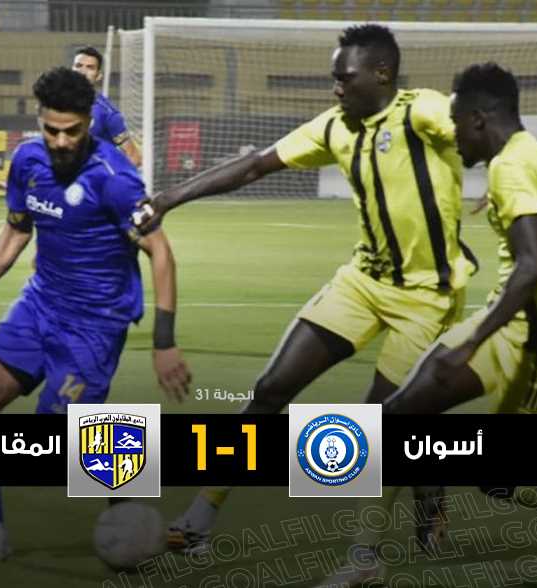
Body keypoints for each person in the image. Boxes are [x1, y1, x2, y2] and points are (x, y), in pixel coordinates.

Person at [133, 24, 477, 554]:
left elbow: (480, 128)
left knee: (386, 423)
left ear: (382, 73)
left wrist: (503, 175)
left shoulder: (422, 111)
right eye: (334, 77)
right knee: (271, 388)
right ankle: (200, 517)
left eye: (345, 77)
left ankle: (422, 511)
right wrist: (167, 198)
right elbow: (254, 166)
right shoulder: (335, 127)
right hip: (361, 284)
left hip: (426, 300)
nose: (336, 87)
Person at [337, 62, 537, 585]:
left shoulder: (512, 168)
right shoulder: (529, 156)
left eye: (456, 122)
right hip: (513, 328)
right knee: (400, 412)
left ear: (479, 118)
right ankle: (363, 560)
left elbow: (532, 266)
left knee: (496, 477)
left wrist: (470, 345)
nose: (453, 135)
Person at [0, 66, 190, 566]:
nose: (62, 141)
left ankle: (132, 498)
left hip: (95, 325)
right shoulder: (28, 161)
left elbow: (160, 251)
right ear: (40, 121)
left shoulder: (115, 177)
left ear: (89, 122)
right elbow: (15, 232)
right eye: (52, 129)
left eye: (72, 131)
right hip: (39, 304)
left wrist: (164, 342)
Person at [73, 46, 143, 167]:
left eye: (90, 67)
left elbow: (134, 157)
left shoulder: (107, 112)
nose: (83, 71)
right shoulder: (56, 102)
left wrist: (105, 177)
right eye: (78, 66)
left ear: (98, 76)